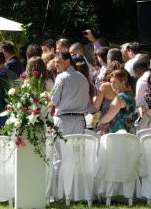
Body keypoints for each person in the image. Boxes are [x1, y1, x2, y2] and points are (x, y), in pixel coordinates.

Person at [50, 51, 91, 179]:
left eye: (58, 62)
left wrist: (47, 96)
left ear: (67, 62)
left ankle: (59, 191)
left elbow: (54, 101)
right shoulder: (83, 77)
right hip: (79, 119)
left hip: (64, 120)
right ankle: (74, 190)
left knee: (60, 156)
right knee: (76, 156)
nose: (56, 65)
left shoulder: (61, 77)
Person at [97, 69, 135, 134]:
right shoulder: (130, 95)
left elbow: (109, 115)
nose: (112, 84)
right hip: (129, 132)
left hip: (119, 136)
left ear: (123, 83)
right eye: (111, 82)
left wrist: (100, 122)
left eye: (115, 82)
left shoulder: (120, 97)